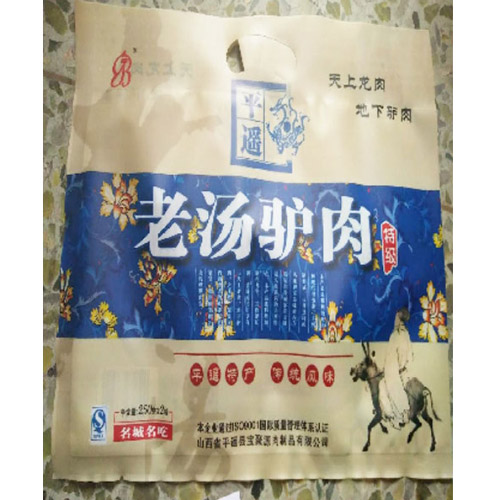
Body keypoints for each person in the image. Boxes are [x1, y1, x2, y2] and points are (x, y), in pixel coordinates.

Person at [378, 307, 413, 429]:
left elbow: (397, 354)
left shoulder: (398, 335)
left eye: (396, 317)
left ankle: (398, 417)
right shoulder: (403, 334)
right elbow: (407, 354)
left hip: (394, 370)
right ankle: (396, 415)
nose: (395, 320)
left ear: (399, 318)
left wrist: (398, 368)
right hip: (395, 369)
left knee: (389, 389)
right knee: (383, 386)